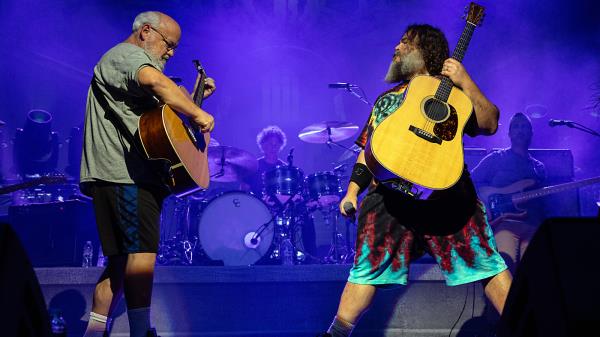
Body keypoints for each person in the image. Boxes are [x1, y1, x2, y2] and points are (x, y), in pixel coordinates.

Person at [318, 24, 512, 337]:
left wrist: (467, 81)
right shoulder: (386, 101)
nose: (396, 46)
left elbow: (490, 123)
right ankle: (335, 335)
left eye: (406, 42)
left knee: (487, 263)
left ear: (425, 53)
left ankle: (529, 326)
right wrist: (352, 192)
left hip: (447, 197)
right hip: (391, 200)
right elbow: (368, 151)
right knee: (365, 272)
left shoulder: (458, 96)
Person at [79, 11, 215, 337]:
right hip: (125, 175)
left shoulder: (133, 66)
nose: (170, 53)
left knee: (119, 264)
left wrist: (195, 100)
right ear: (146, 32)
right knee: (142, 255)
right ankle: (140, 332)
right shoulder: (127, 55)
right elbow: (155, 81)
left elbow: (162, 124)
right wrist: (198, 112)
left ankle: (94, 332)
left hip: (122, 175)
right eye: (169, 45)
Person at [471, 112, 546, 272]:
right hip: (505, 224)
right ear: (509, 133)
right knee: (506, 268)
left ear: (531, 133)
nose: (520, 130)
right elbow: (470, 182)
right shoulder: (496, 158)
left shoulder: (538, 167)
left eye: (524, 126)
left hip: (533, 225)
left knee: (534, 272)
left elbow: (545, 203)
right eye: (516, 126)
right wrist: (486, 207)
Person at [244, 125, 318, 262]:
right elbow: (244, 191)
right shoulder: (254, 166)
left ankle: (311, 258)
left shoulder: (285, 168)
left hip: (283, 209)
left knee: (307, 216)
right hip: (259, 208)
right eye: (269, 144)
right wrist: (257, 202)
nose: (273, 147)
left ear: (280, 146)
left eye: (276, 144)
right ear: (262, 145)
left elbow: (295, 192)